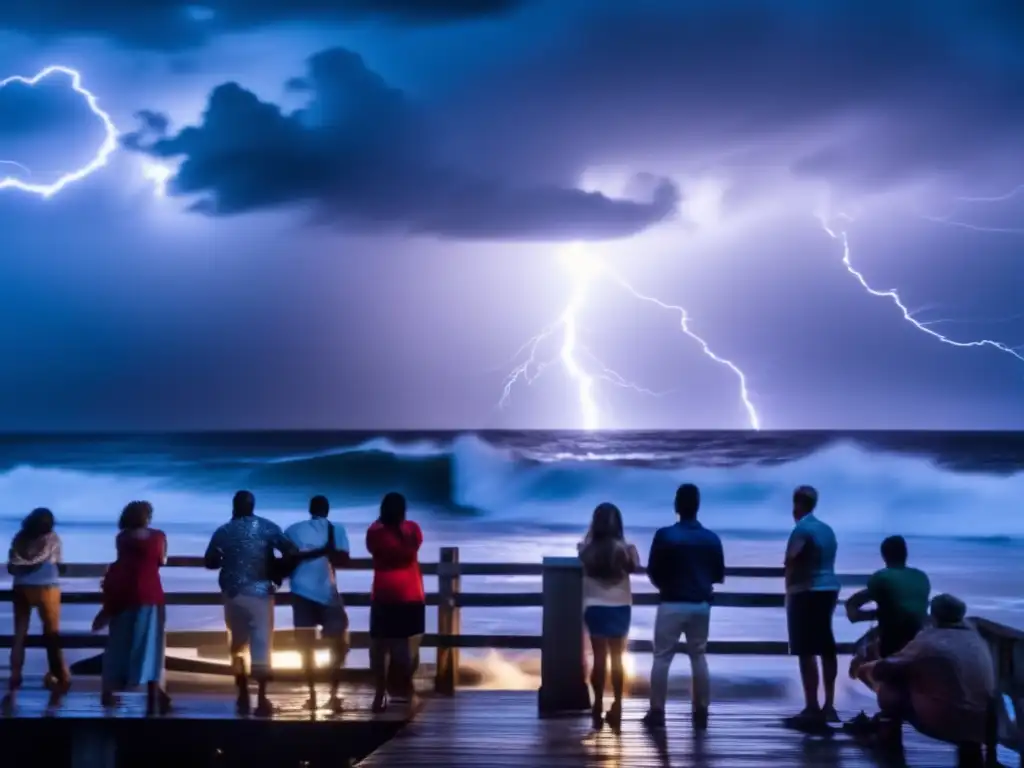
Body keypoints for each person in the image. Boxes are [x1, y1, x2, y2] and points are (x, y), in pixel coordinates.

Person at [857, 594, 996, 766]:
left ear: (934, 615)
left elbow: (884, 669)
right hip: (985, 722)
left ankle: (889, 745)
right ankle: (977, 756)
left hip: (944, 722)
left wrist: (865, 667)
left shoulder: (928, 641)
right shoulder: (977, 640)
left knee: (890, 687)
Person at [205, 490, 298, 716]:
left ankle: (242, 692)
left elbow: (209, 561)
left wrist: (223, 559)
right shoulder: (267, 527)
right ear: (253, 506)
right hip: (261, 592)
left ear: (234, 507)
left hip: (233, 594)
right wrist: (278, 574)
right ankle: (263, 698)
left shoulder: (223, 531)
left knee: (237, 644)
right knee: (261, 643)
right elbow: (291, 551)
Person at [644, 483, 725, 730]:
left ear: (677, 506)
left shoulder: (665, 536)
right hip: (700, 604)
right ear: (698, 506)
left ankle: (657, 710)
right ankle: (701, 709)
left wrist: (666, 585)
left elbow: (653, 571)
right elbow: (718, 574)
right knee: (698, 656)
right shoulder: (711, 539)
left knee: (662, 658)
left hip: (671, 602)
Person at [96, 501, 171, 715]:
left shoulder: (122, 538)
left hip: (125, 595)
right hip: (150, 594)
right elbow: (161, 560)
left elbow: (123, 563)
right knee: (150, 646)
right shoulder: (158, 537)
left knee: (119, 643)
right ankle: (153, 693)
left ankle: (109, 692)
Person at [284, 494, 351, 712]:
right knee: (337, 643)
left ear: (310, 509)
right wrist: (325, 552)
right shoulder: (336, 529)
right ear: (327, 510)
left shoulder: (293, 529)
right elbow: (344, 559)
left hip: (300, 592)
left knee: (305, 646)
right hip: (327, 593)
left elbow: (285, 556)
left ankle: (311, 695)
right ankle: (333, 694)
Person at [578, 502, 640, 729]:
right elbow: (634, 566)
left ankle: (597, 705)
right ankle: (618, 705)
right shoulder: (626, 550)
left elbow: (582, 560)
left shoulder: (585, 550)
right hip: (620, 605)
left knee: (599, 658)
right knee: (617, 658)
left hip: (594, 605)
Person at [783, 484, 841, 727]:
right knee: (826, 646)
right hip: (829, 589)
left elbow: (791, 559)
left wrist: (790, 582)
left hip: (806, 591)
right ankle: (829, 704)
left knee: (806, 649)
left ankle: (811, 706)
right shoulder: (827, 529)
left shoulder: (802, 530)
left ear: (798, 505)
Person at [2, 508, 69, 712]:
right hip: (47, 586)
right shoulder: (52, 538)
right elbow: (58, 562)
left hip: (21, 587)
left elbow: (12, 564)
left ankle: (14, 679)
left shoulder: (19, 538)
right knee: (51, 635)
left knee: (19, 635)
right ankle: (59, 678)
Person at [366, 492, 425, 713]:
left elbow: (380, 551)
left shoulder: (375, 531)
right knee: (406, 647)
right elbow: (409, 552)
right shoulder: (412, 529)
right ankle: (407, 690)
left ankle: (380, 694)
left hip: (383, 593)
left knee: (380, 646)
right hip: (411, 593)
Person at [846, 535, 930, 658]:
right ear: (905, 553)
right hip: (921, 632)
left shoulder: (881, 577)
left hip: (892, 635)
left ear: (884, 555)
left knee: (861, 650)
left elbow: (853, 603)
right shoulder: (921, 576)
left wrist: (871, 615)